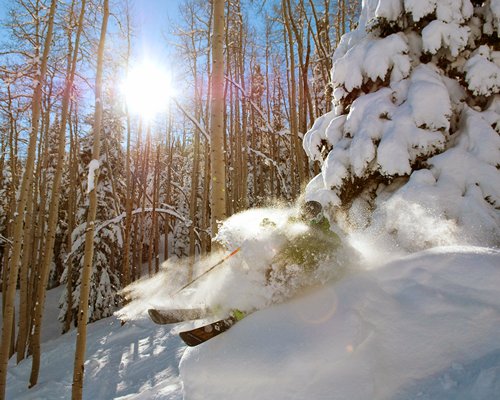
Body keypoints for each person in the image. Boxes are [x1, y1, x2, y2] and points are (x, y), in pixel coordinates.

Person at [265, 200, 342, 300]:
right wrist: (268, 225)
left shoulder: (327, 236)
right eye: (309, 217)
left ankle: (270, 300)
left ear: (321, 217)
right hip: (284, 259)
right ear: (304, 215)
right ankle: (255, 300)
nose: (313, 221)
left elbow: (339, 252)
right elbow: (281, 229)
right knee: (271, 270)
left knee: (283, 277)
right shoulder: (295, 223)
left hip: (301, 269)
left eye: (316, 217)